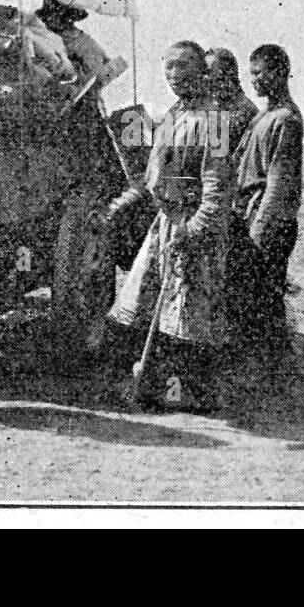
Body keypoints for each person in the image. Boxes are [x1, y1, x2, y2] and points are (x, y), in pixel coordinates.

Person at [102, 41, 234, 412]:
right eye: (169, 67)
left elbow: (219, 184)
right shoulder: (172, 116)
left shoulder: (217, 121)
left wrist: (196, 229)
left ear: (202, 71)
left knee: (190, 314)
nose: (174, 74)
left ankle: (191, 394)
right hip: (166, 221)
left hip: (197, 225)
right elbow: (151, 176)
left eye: (182, 66)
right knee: (148, 304)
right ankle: (156, 385)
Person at [228, 44, 304, 358]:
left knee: (265, 296)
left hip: (269, 220)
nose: (255, 80)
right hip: (252, 215)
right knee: (257, 294)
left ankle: (275, 363)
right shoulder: (265, 115)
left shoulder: (286, 119)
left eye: (260, 73)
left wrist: (260, 230)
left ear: (280, 72)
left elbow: (278, 182)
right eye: (252, 74)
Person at [206, 47, 259, 156]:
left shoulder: (244, 111)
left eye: (209, 72)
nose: (204, 77)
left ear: (227, 73)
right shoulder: (218, 108)